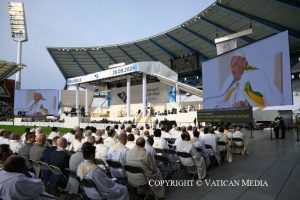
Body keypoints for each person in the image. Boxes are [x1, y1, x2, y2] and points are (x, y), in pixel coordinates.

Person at [205, 51, 283, 108]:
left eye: (235, 65)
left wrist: (246, 104)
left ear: (243, 62)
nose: (233, 69)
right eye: (232, 66)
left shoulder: (255, 74)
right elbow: (225, 100)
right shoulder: (233, 80)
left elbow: (273, 100)